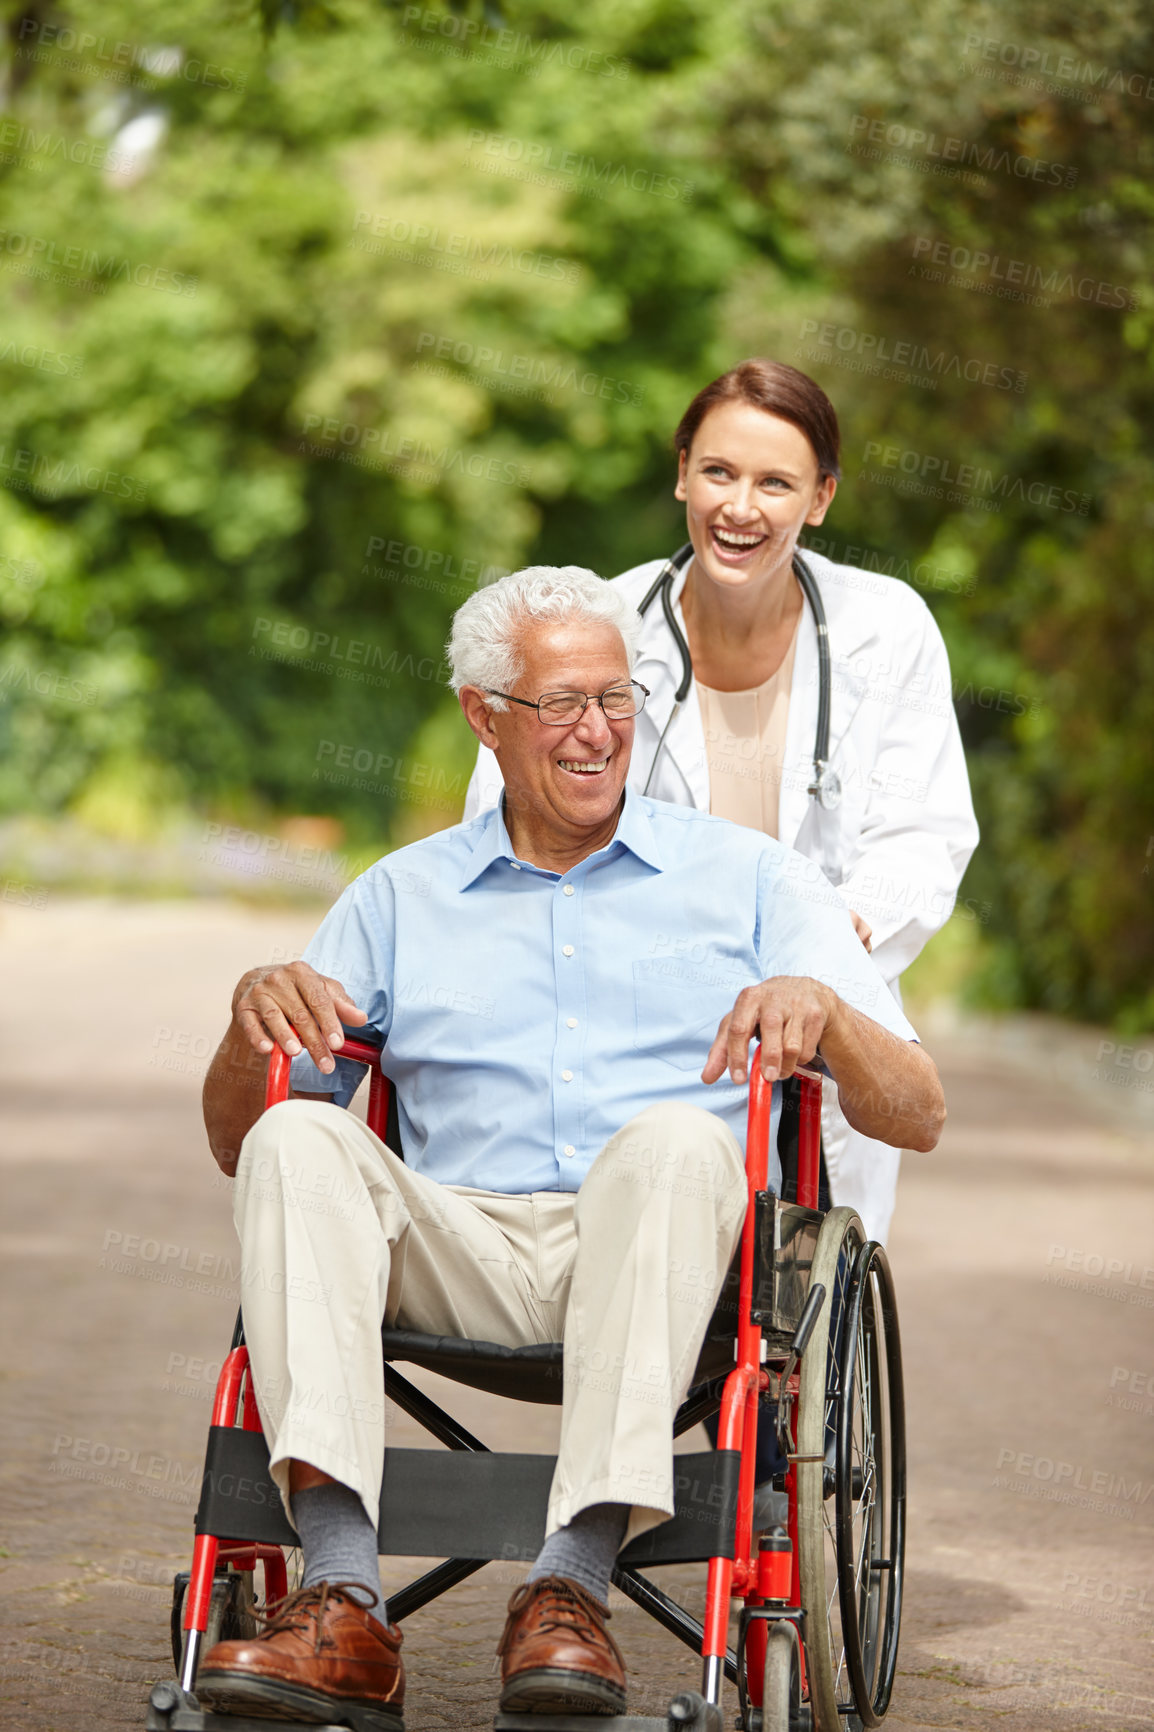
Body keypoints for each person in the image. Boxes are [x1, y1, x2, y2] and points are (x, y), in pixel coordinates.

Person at [195, 566, 945, 1729]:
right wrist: (253, 1027)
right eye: (561, 704)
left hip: (666, 1250)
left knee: (672, 1140)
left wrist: (830, 1012)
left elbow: (917, 1112)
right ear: (482, 715)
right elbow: (238, 1144)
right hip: (458, 1238)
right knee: (301, 1133)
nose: (599, 732)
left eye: (618, 698)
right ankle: (342, 1601)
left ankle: (570, 1586)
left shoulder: (745, 877)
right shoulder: (397, 896)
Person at [465, 359, 978, 1247]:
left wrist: (836, 929)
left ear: (819, 499)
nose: (741, 507)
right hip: (638, 1009)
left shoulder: (886, 629)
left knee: (793, 1312)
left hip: (820, 1008)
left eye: (775, 482)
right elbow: (504, 807)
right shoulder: (603, 623)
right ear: (681, 474)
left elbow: (923, 836)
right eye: (719, 473)